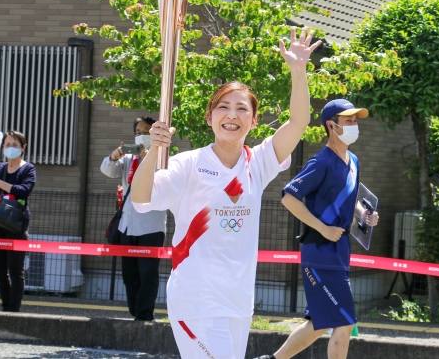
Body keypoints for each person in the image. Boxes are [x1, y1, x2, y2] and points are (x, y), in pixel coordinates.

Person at [131, 29, 321, 359]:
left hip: (237, 301)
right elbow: (141, 197)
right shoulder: (188, 164)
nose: (232, 115)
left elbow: (299, 122)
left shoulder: (258, 163)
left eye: (241, 109)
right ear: (209, 116)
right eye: (223, 107)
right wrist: (153, 151)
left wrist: (298, 70)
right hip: (197, 300)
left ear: (254, 119)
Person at [256, 99, 379, 359]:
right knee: (344, 322)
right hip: (320, 251)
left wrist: (365, 216)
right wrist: (322, 228)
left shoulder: (353, 160)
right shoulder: (321, 161)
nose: (354, 125)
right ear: (331, 126)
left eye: (356, 120)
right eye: (348, 121)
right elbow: (289, 198)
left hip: (340, 251)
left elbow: (349, 199)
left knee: (318, 324)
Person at [100, 116, 166, 321]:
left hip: (151, 226)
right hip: (127, 225)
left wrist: (150, 158)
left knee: (147, 273)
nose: (141, 136)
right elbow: (107, 170)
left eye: (146, 132)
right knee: (129, 274)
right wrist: (115, 154)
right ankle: (134, 310)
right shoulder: (129, 160)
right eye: (138, 132)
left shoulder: (162, 159)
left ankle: (145, 314)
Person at [0, 131, 35, 312]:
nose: (10, 148)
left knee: (15, 269)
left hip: (17, 224)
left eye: (15, 145)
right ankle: (5, 306)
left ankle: (14, 310)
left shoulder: (28, 169)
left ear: (23, 148)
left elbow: (24, 190)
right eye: (7, 144)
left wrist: (0, 184)